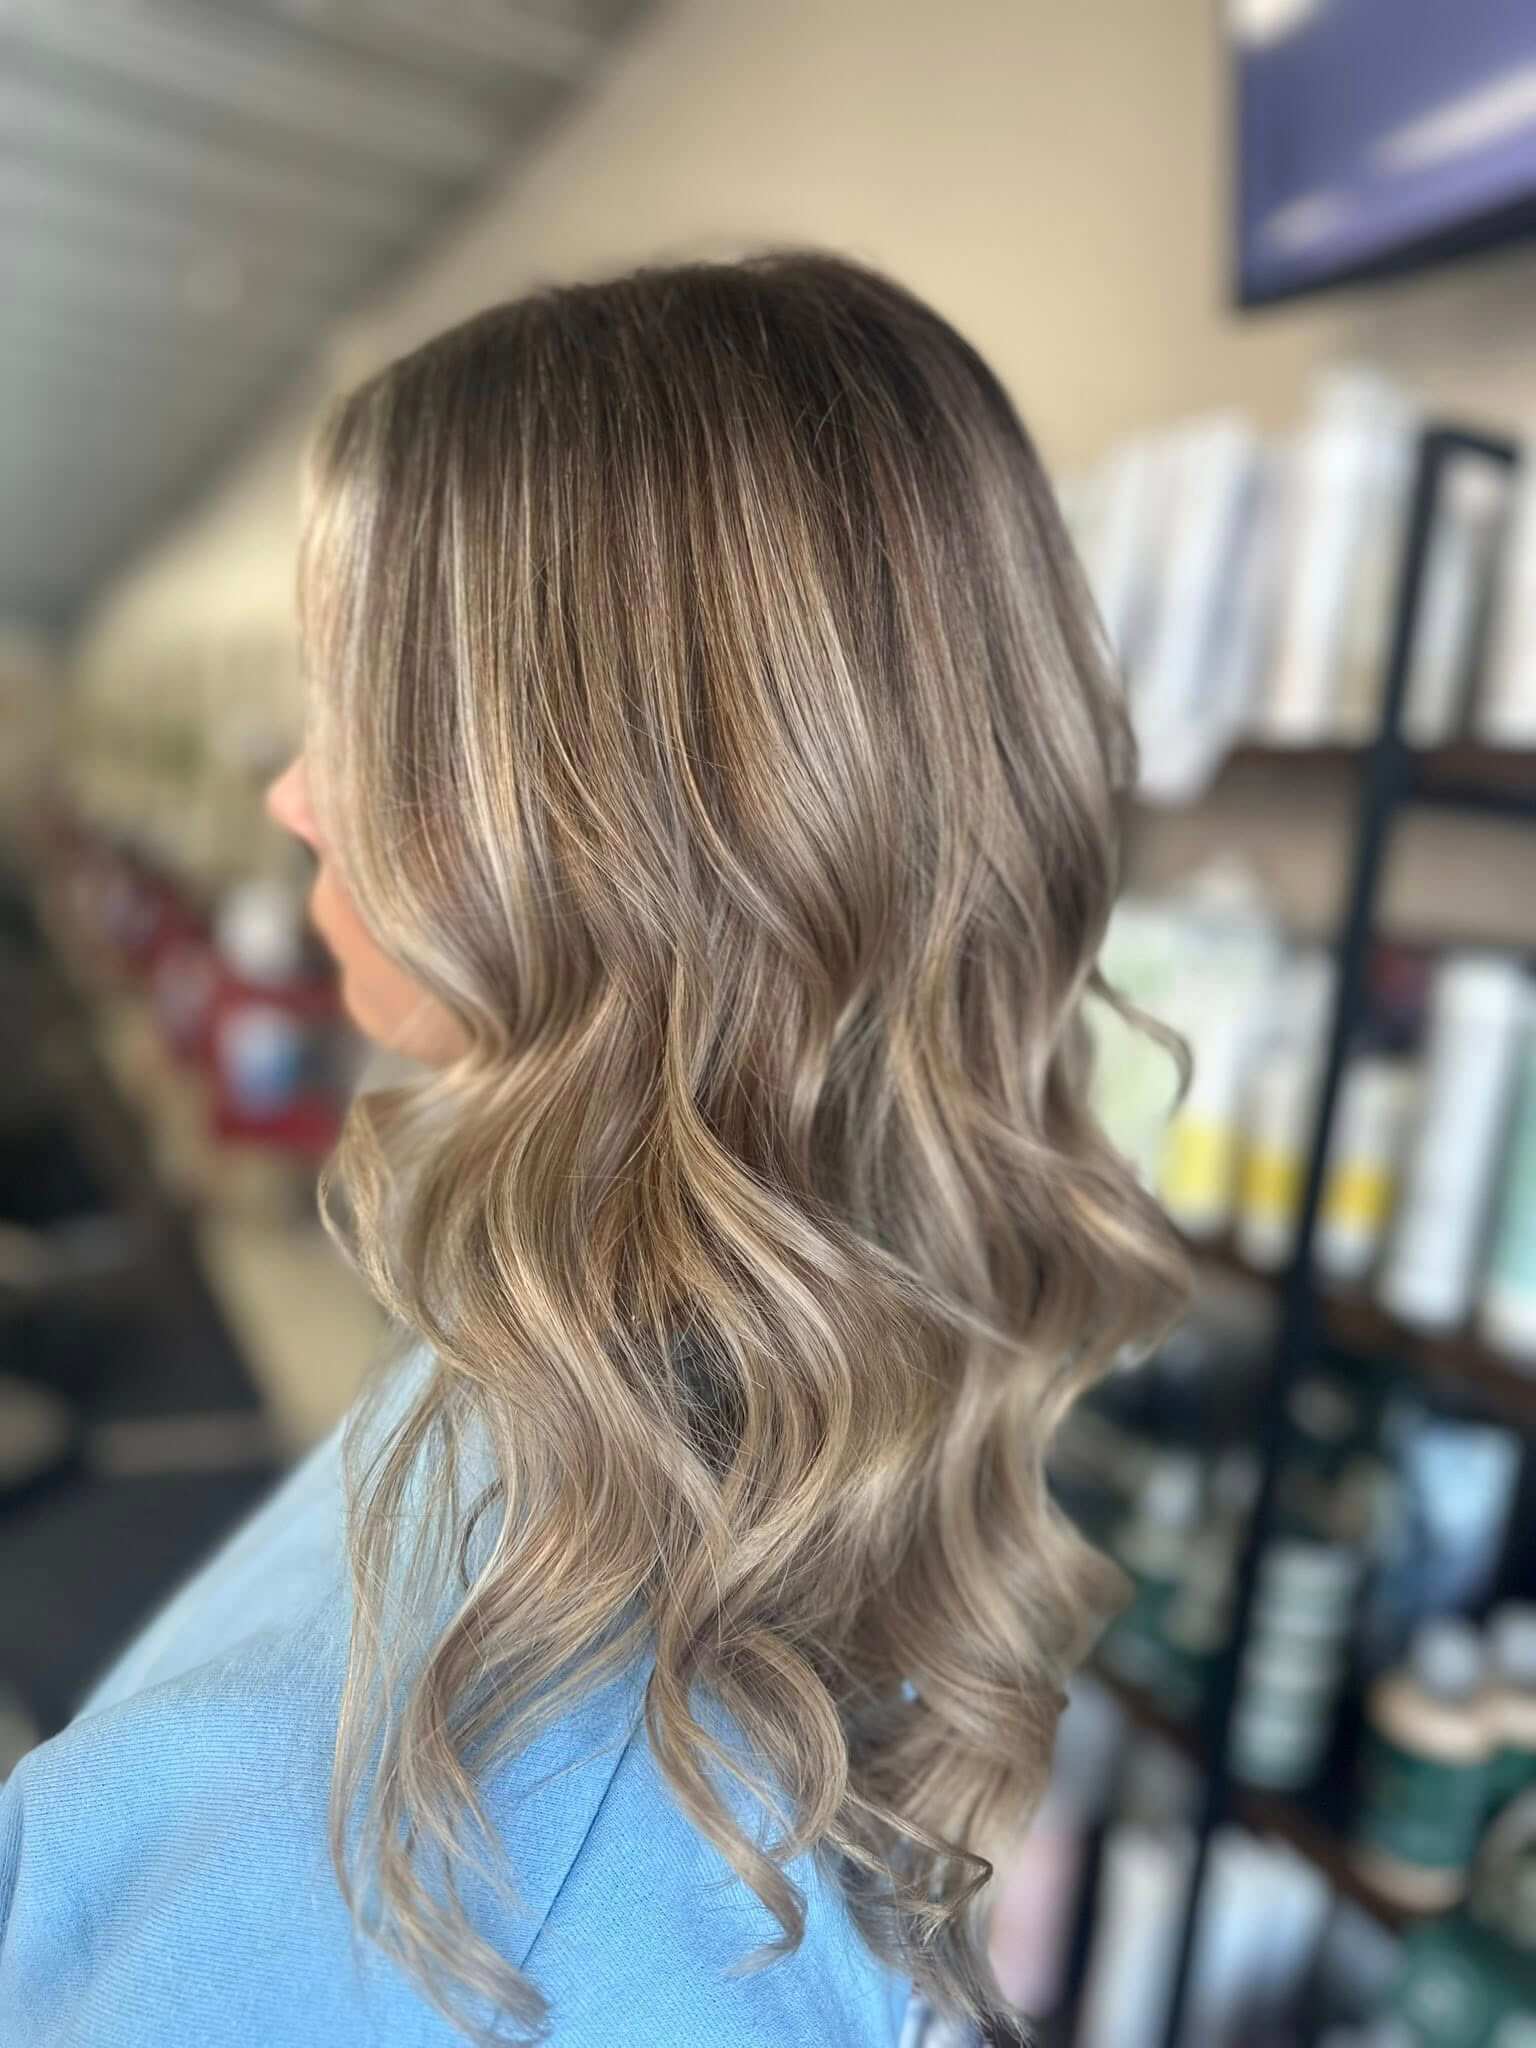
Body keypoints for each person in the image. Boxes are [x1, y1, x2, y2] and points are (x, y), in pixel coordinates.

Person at [0, 249, 1186, 2045]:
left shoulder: (405, 1896)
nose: (287, 794)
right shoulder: (687, 1413)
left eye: (349, 705)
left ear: (579, 818)